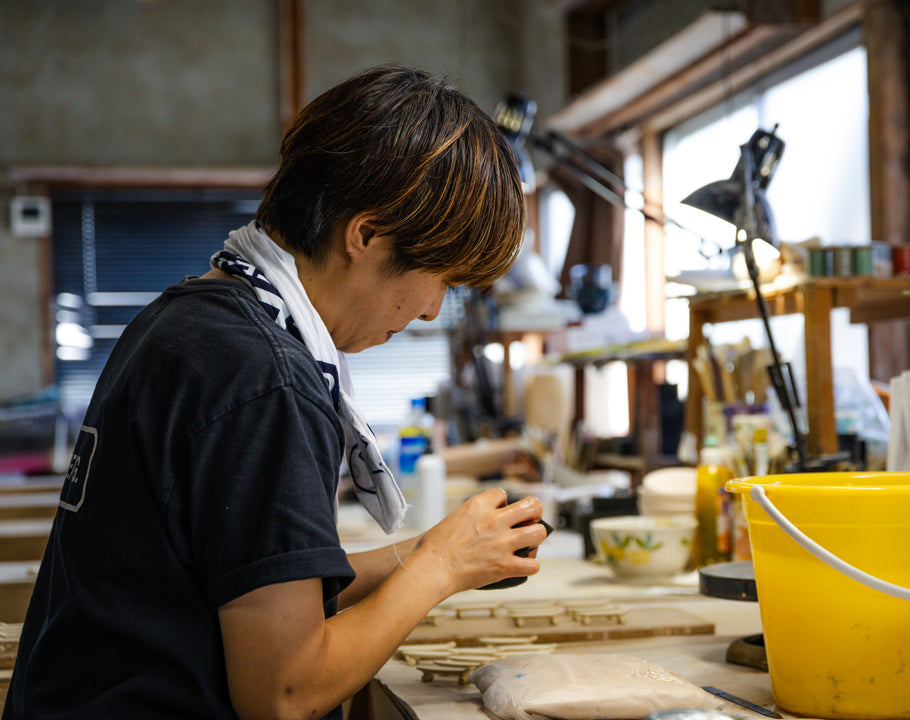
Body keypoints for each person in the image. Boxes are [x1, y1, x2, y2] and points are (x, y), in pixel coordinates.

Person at [4, 64, 547, 720]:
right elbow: (285, 691)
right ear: (367, 235)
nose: (433, 311)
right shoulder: (268, 380)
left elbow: (247, 579)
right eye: (442, 279)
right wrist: (437, 569)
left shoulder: (190, 318)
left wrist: (439, 550)